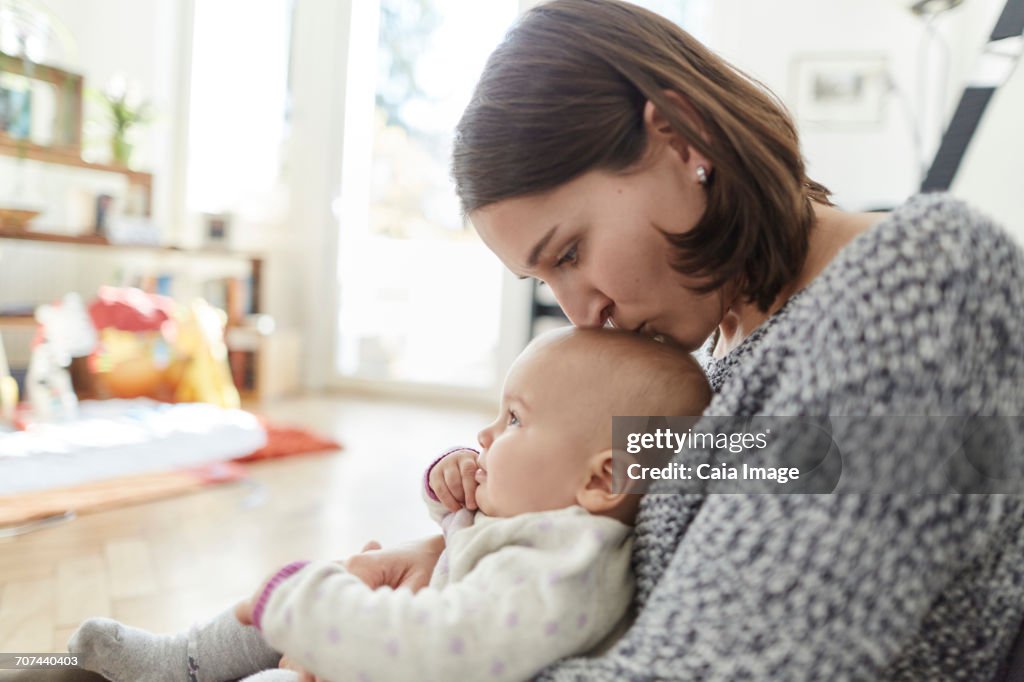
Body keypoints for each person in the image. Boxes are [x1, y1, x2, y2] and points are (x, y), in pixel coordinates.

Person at [351, 0, 1024, 679]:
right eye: (546, 277)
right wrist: (467, 574)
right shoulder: (717, 358)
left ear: (678, 137)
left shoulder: (917, 283)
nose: (581, 314)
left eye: (572, 252)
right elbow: (647, 536)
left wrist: (407, 661)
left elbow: (726, 663)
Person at [66, 327, 712, 682]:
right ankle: (178, 662)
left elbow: (460, 645)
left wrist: (316, 612)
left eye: (569, 252)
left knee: (296, 599)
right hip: (419, 637)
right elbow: (788, 454)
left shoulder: (562, 559)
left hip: (427, 656)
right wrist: (452, 491)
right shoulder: (556, 517)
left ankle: (183, 665)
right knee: (300, 600)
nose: (580, 303)